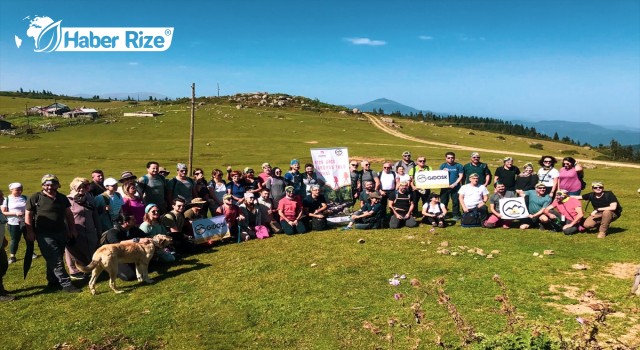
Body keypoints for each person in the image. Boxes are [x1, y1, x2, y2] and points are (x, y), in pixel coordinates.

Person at [25, 174, 81, 293]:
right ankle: (66, 284)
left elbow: (69, 214)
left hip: (61, 232)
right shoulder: (36, 197)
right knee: (55, 259)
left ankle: (52, 281)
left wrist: (72, 229)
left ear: (57, 185)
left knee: (55, 257)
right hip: (43, 234)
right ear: (43, 185)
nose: (49, 187)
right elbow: (28, 214)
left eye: (52, 184)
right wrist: (30, 231)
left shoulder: (62, 197)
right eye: (47, 184)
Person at [65, 177, 100, 280]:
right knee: (74, 251)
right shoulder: (68, 200)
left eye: (84, 186)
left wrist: (98, 228)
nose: (82, 189)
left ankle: (87, 268)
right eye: (79, 187)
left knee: (90, 249)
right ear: (74, 187)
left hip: (89, 229)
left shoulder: (89, 197)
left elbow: (95, 214)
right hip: (75, 229)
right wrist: (69, 231)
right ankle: (74, 271)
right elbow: (65, 217)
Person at [101, 214, 146, 281]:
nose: (135, 221)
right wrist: (136, 240)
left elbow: (145, 236)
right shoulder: (113, 232)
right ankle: (109, 268)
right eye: (133, 220)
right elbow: (117, 244)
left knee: (145, 266)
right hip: (113, 258)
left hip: (126, 255)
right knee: (130, 276)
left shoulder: (133, 229)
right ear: (126, 222)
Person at [2, 182, 37, 264]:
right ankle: (12, 256)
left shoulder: (25, 197)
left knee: (28, 237)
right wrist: (15, 213)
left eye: (21, 189)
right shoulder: (6, 199)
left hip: (26, 222)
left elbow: (30, 208)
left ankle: (31, 253)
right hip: (13, 223)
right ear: (11, 190)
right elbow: (3, 212)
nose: (20, 191)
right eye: (17, 190)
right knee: (15, 240)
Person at [439, 152, 464, 220]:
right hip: (445, 187)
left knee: (455, 201)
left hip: (455, 187)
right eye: (449, 158)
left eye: (452, 157)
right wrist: (443, 172)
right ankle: (444, 213)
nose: (450, 159)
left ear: (454, 158)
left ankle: (456, 214)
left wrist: (455, 184)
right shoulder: (443, 166)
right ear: (446, 158)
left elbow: (460, 176)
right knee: (444, 201)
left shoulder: (459, 166)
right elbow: (439, 176)